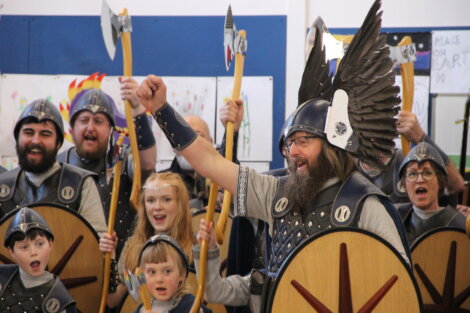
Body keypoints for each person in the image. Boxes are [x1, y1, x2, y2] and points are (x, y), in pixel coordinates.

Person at [136, 0, 411, 308]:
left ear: (333, 143)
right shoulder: (274, 193)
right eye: (289, 143)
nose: (293, 151)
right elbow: (210, 162)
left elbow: (396, 286)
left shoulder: (365, 204)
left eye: (304, 140)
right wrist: (161, 110)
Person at [58, 77, 156, 258]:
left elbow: (148, 164)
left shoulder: (122, 161)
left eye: (98, 121)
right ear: (72, 128)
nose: (90, 127)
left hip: (121, 273)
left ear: (111, 128)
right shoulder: (57, 166)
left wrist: (137, 108)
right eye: (84, 120)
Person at [0, 99, 107, 234]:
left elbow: (95, 244)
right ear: (18, 137)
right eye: (28, 132)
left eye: (45, 134)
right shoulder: (2, 185)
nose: (36, 140)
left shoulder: (81, 183)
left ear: (58, 143)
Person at [99, 172, 194, 308]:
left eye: (166, 199)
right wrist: (110, 258)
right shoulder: (132, 248)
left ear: (180, 204)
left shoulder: (197, 250)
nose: (157, 207)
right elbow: (112, 300)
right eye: (150, 200)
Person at [0, 207, 77, 312]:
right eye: (24, 247)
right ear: (12, 252)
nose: (33, 252)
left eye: (39, 244)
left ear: (50, 244)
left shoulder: (59, 299)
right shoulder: (2, 277)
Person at [395, 142, 467, 245]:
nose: (419, 180)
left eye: (427, 173)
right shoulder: (395, 219)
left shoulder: (459, 225)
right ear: (404, 184)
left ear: (440, 181)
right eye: (412, 174)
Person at [132, 234, 212, 313]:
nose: (159, 279)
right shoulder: (141, 310)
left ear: (181, 274)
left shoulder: (192, 306)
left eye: (167, 271)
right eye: (152, 272)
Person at [161, 115, 213, 209]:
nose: (189, 144)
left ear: (210, 142)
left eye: (198, 136)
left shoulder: (222, 185)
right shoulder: (159, 183)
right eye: (181, 136)